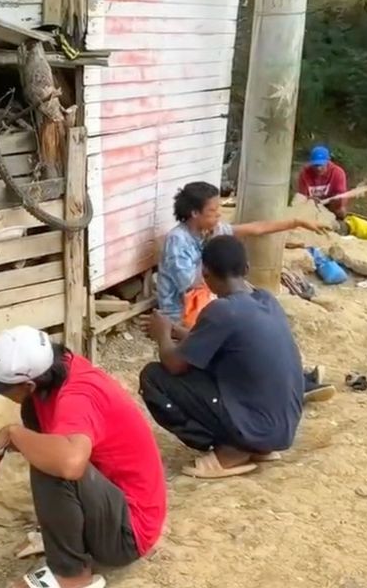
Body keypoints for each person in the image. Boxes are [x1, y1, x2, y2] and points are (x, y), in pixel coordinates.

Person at [0, 327, 166, 588]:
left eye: (2, 388)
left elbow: (70, 463)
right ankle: (66, 538)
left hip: (128, 534)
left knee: (55, 460)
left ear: (28, 383)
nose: (1, 393)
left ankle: (71, 576)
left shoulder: (77, 398)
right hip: (112, 504)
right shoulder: (58, 367)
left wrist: (13, 434)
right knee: (36, 420)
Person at [142, 235, 328, 480]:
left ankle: (233, 450)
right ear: (247, 268)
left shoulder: (221, 310)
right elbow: (218, 340)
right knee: (209, 365)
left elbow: (174, 364)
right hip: (281, 429)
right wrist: (176, 331)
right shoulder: (265, 300)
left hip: (258, 427)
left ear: (206, 275)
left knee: (154, 377)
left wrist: (162, 335)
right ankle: (256, 445)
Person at [156, 181, 326, 330]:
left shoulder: (210, 231)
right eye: (213, 210)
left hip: (208, 299)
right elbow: (188, 284)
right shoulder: (177, 240)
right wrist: (211, 248)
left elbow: (256, 228)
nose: (219, 214)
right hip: (181, 312)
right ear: (194, 213)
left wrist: (296, 222)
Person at [297, 145, 349, 218]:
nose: (319, 168)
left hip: (330, 204)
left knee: (341, 212)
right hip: (311, 205)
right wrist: (310, 200)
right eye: (316, 165)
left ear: (328, 161)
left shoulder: (338, 173)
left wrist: (336, 201)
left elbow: (342, 196)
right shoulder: (305, 173)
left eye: (322, 165)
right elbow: (301, 197)